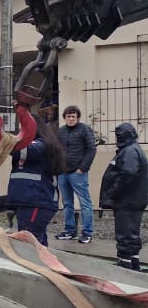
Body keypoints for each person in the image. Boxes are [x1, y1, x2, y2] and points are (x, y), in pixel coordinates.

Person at [99, 122, 148, 271]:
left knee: (125, 232)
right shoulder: (134, 149)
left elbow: (128, 173)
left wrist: (114, 191)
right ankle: (133, 262)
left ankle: (125, 264)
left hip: (127, 200)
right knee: (131, 233)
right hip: (134, 199)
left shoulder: (129, 151)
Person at [6, 132, 63, 245]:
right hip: (28, 201)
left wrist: (5, 141)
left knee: (29, 242)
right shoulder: (37, 144)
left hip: (37, 202)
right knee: (37, 242)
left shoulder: (42, 145)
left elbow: (21, 150)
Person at [55, 104, 97, 245]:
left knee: (85, 203)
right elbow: (56, 150)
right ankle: (69, 231)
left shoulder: (85, 130)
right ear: (64, 117)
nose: (71, 119)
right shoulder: (60, 131)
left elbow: (91, 149)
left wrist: (83, 168)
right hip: (63, 172)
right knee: (67, 203)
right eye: (69, 116)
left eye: (73, 116)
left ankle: (87, 233)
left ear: (77, 117)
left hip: (78, 173)